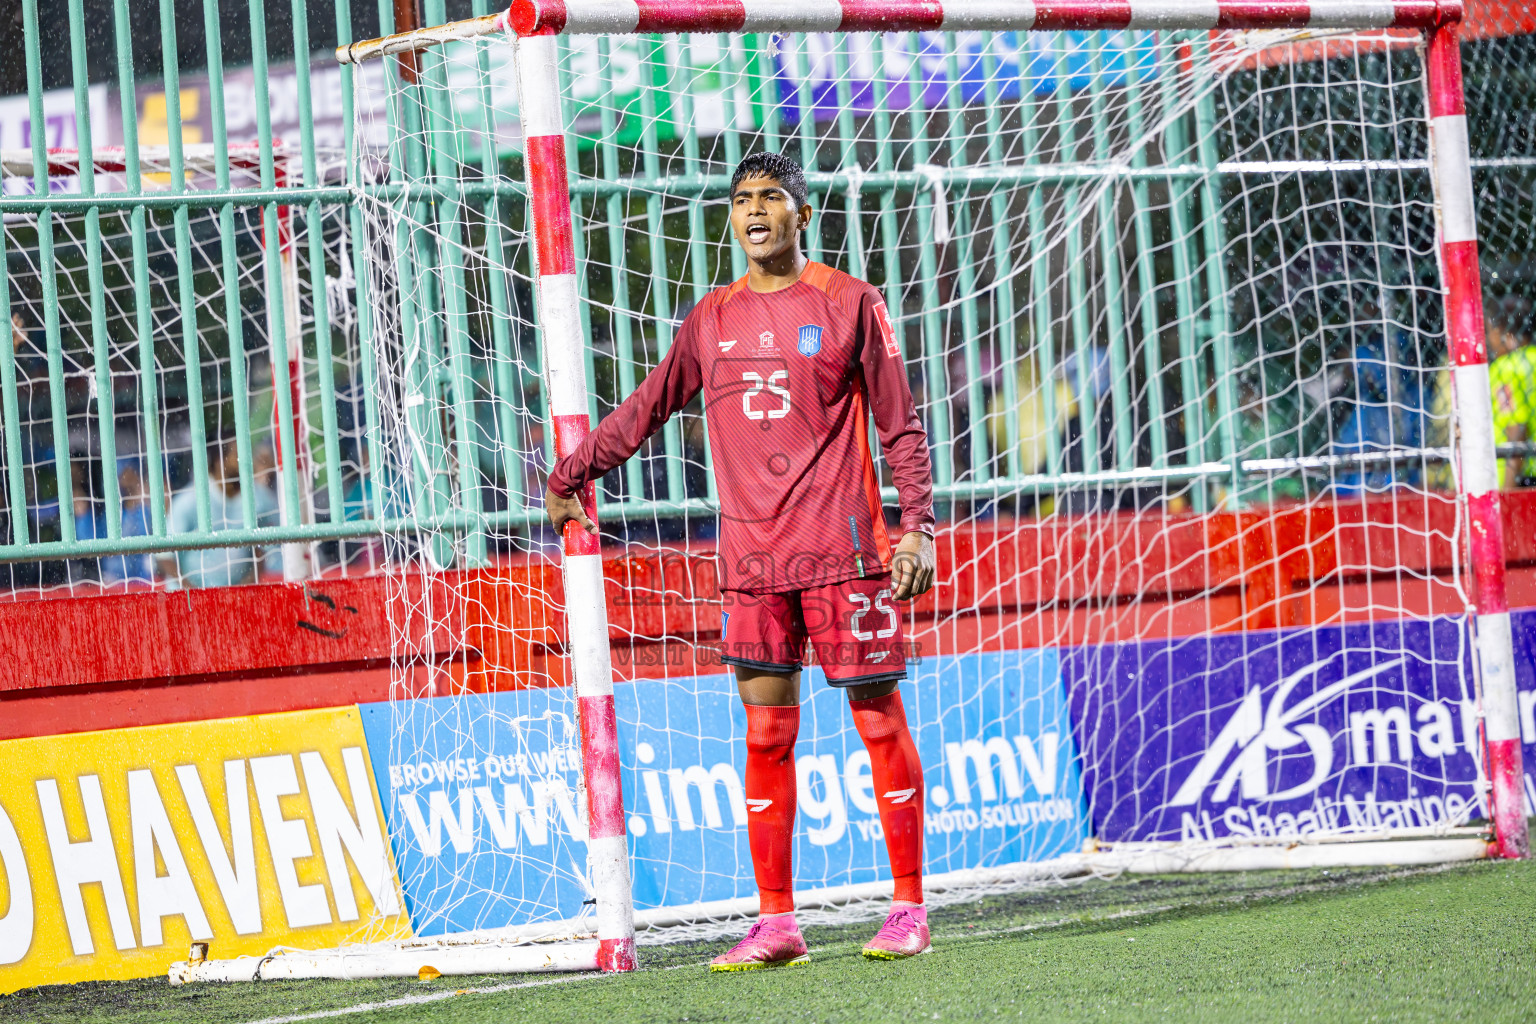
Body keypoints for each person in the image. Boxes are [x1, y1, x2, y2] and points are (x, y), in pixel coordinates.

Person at [545, 152, 938, 969]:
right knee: (765, 735)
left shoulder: (849, 302)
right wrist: (572, 470)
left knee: (877, 720)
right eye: (740, 200)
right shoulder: (711, 317)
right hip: (753, 567)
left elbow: (900, 426)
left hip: (845, 556)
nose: (753, 210)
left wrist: (918, 527)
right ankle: (777, 923)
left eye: (770, 197)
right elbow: (650, 406)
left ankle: (907, 908)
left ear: (801, 213)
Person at [158, 437, 279, 588]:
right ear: (219, 460)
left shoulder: (258, 498)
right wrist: (193, 594)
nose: (245, 460)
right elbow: (164, 556)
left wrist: (245, 586)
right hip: (189, 598)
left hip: (235, 597)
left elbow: (260, 548)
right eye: (237, 454)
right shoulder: (189, 501)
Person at [1487, 297, 1535, 489]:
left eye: (1490, 332)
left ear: (1503, 333)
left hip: (1523, 479)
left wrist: (1507, 494)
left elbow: (1516, 431)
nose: (1490, 341)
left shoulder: (1506, 368)